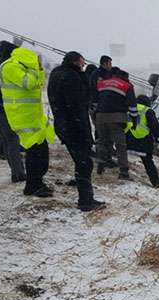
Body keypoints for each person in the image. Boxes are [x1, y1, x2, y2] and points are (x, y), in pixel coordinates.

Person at [48, 51, 106, 211]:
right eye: (82, 62)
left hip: (63, 125)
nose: (83, 65)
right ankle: (86, 201)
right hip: (75, 127)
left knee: (81, 161)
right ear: (75, 62)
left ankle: (85, 196)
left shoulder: (57, 73)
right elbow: (77, 107)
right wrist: (86, 133)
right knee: (85, 163)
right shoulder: (72, 78)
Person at [0, 46, 55, 197]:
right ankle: (32, 185)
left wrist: (39, 69)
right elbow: (29, 83)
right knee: (35, 153)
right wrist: (33, 68)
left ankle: (37, 182)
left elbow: (39, 83)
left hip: (34, 117)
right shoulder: (10, 67)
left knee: (41, 153)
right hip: (22, 117)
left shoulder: (22, 67)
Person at [0, 40, 25, 182]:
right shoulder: (6, 67)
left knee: (6, 138)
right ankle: (18, 174)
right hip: (3, 110)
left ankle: (1, 153)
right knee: (12, 142)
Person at [95, 68, 135, 179]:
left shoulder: (102, 83)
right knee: (120, 145)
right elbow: (132, 106)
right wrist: (134, 120)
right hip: (117, 118)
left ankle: (100, 165)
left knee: (102, 142)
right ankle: (123, 172)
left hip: (100, 117)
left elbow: (95, 99)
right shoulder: (127, 85)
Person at [125, 95, 159, 188]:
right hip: (143, 143)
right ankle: (156, 183)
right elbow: (155, 126)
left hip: (128, 141)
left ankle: (121, 172)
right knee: (148, 162)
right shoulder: (148, 111)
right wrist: (158, 139)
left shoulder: (129, 108)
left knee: (120, 155)